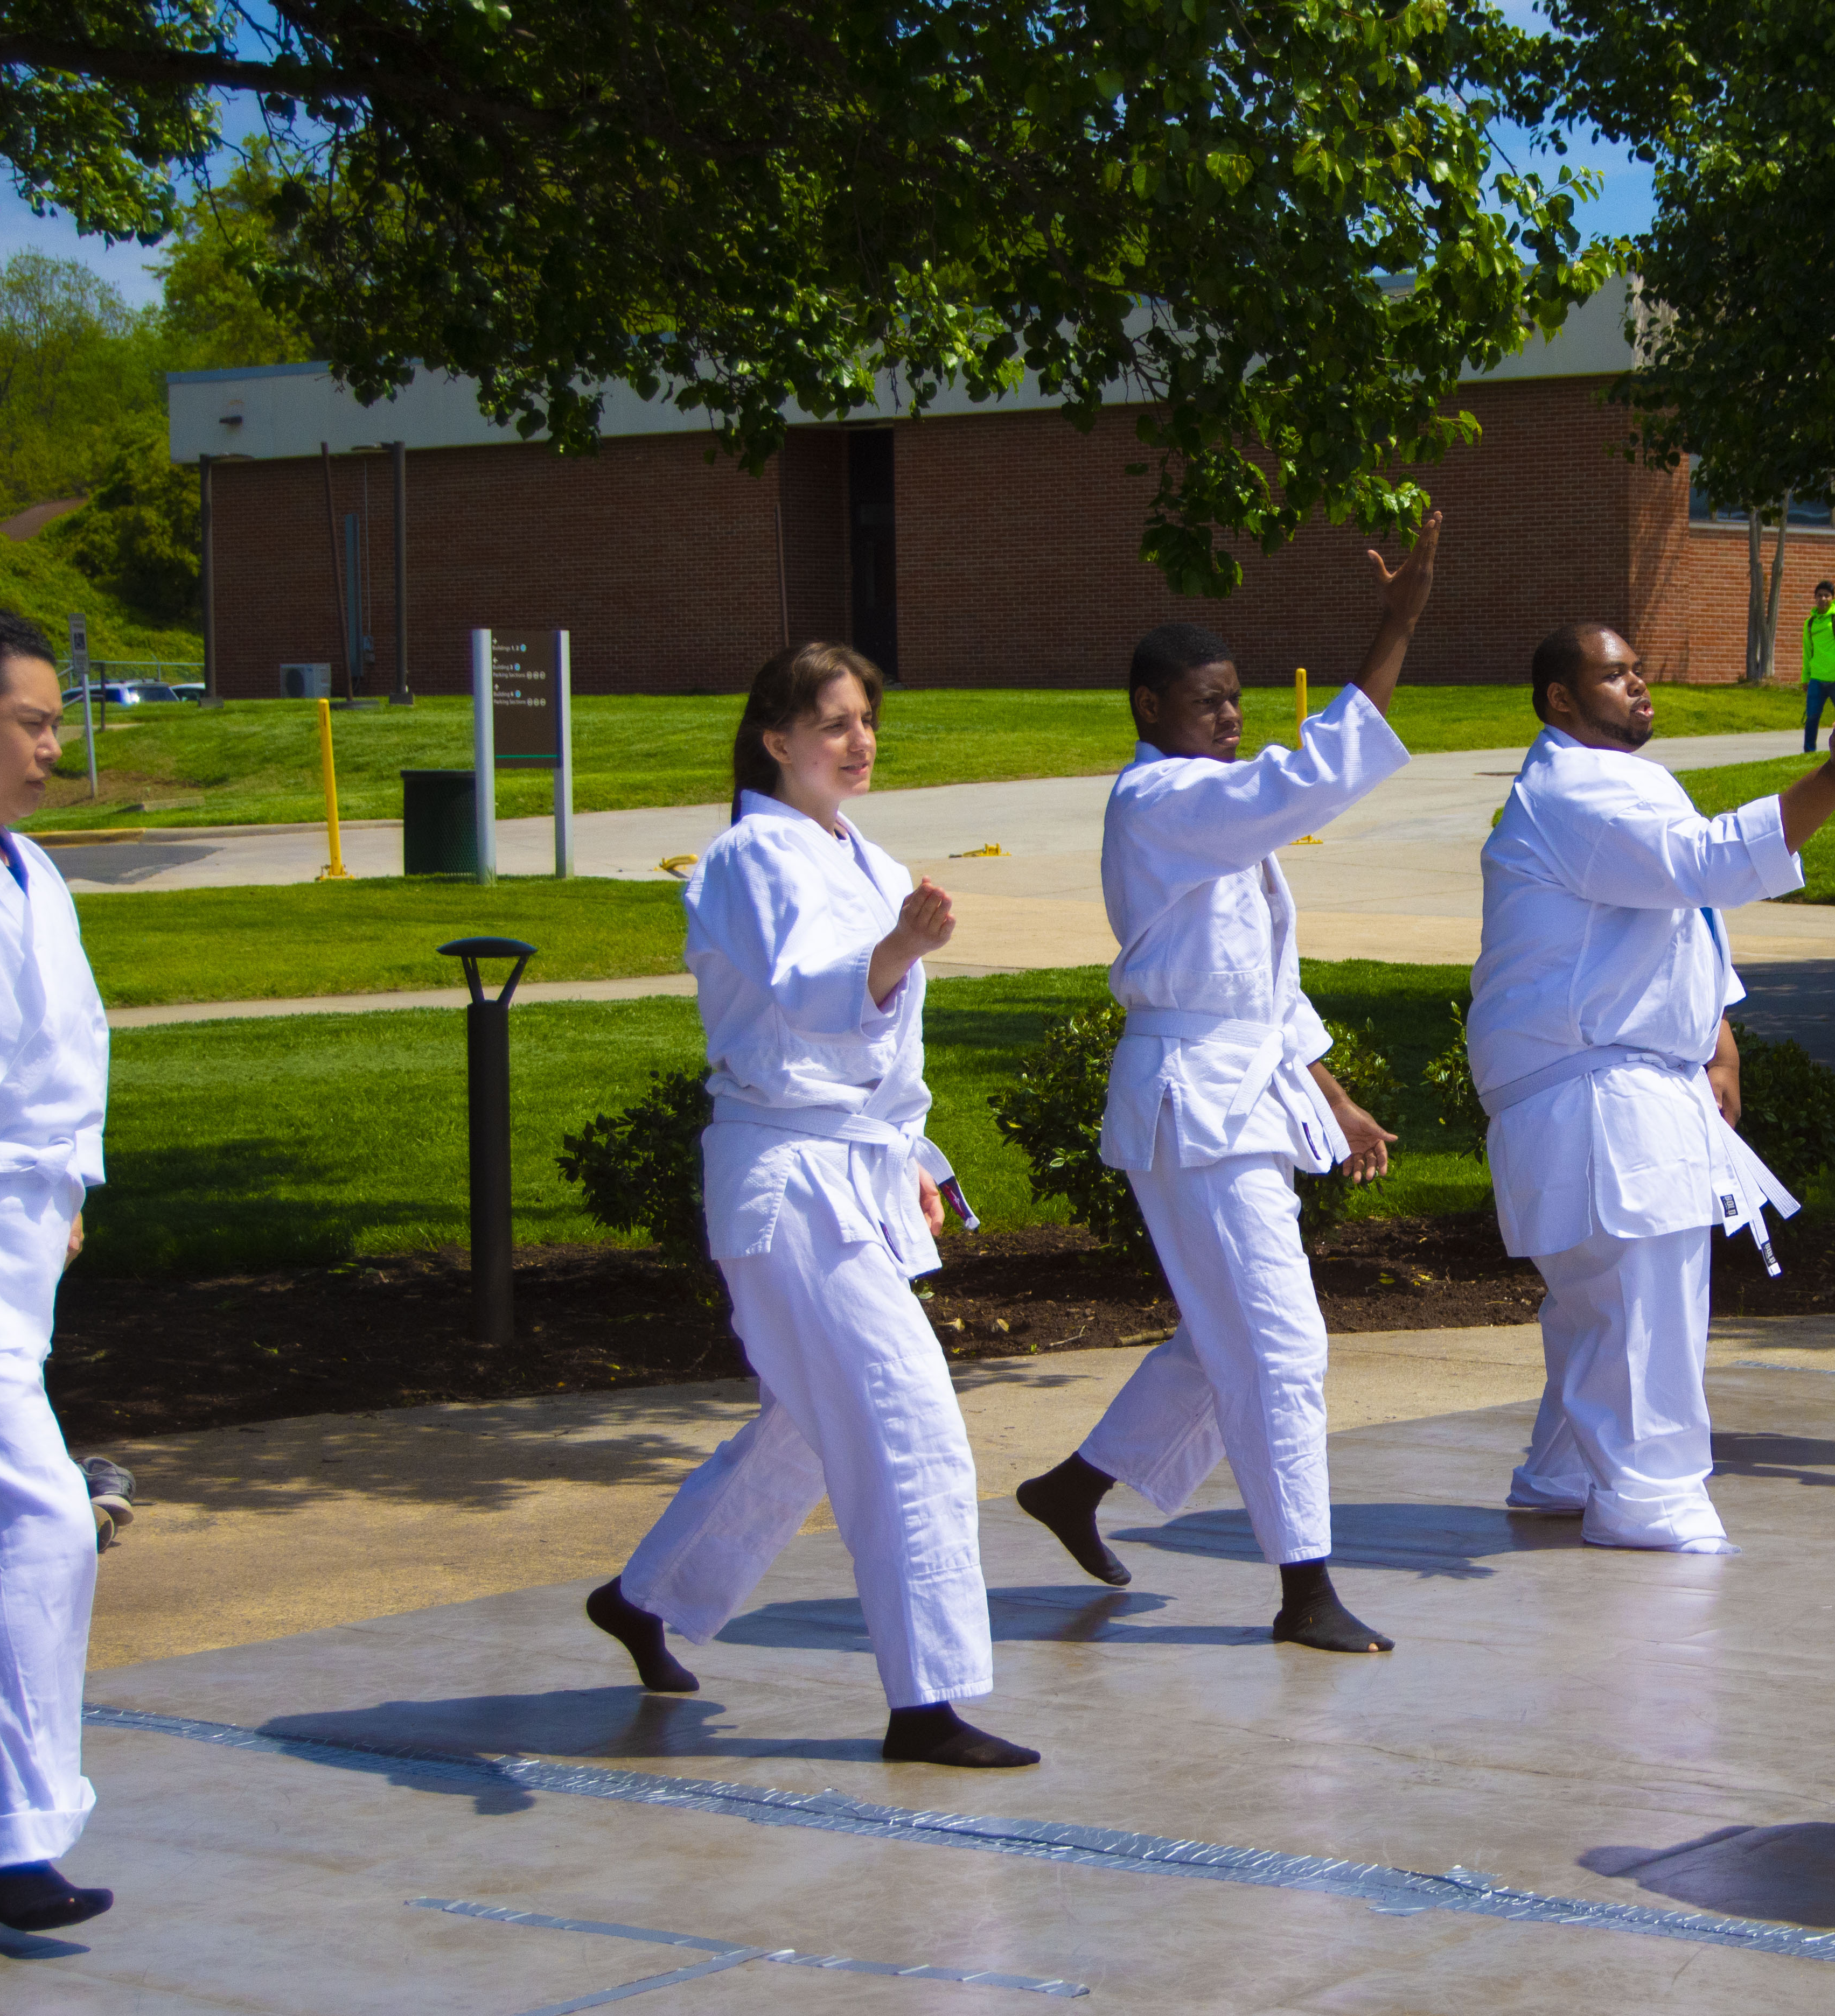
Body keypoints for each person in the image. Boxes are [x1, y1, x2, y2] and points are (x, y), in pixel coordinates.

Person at [585, 641, 1034, 1769]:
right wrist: (895, 947)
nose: (860, 738)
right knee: (904, 1415)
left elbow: (882, 1055)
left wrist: (919, 1160)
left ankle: (650, 1595)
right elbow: (807, 992)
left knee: (808, 1419)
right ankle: (925, 1701)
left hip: (852, 1172)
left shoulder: (866, 857)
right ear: (776, 739)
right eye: (834, 722)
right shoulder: (747, 858)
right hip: (784, 1181)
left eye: (868, 718)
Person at [1013, 516, 1443, 1654]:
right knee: (1280, 1341)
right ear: (1150, 708)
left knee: (1226, 1334)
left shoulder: (1211, 819)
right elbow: (1308, 783)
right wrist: (1395, 625)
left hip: (1240, 1086)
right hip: (1191, 1103)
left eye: (1239, 699)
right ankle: (1304, 1585)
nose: (1231, 718)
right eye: (1208, 702)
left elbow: (1264, 986)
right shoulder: (1160, 804)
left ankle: (1076, 1486)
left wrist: (1335, 1094)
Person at [1473, 625, 1835, 1553]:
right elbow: (1703, 867)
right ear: (1560, 698)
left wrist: (1720, 1043)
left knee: (1604, 1294)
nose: (1639, 684)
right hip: (1599, 1085)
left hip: (1611, 1080)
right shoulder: (1578, 789)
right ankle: (1649, 1498)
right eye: (1614, 674)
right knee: (1644, 1295)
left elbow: (1682, 917)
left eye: (1639, 668)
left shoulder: (1606, 787)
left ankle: (1566, 1471)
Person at [0, 545, 121, 1931]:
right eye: (31, 722)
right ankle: (15, 1840)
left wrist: (70, 1196)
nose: (55, 748)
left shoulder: (29, 867)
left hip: (12, 1236)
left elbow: (75, 1051)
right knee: (41, 1517)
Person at [1801, 580, 1835, 752]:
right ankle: (1809, 751)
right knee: (1812, 717)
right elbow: (1808, 653)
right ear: (1815, 598)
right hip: (1817, 679)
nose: (1823, 598)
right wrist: (1805, 678)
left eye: (1827, 595)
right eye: (1819, 595)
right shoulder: (1810, 623)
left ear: (1833, 598)